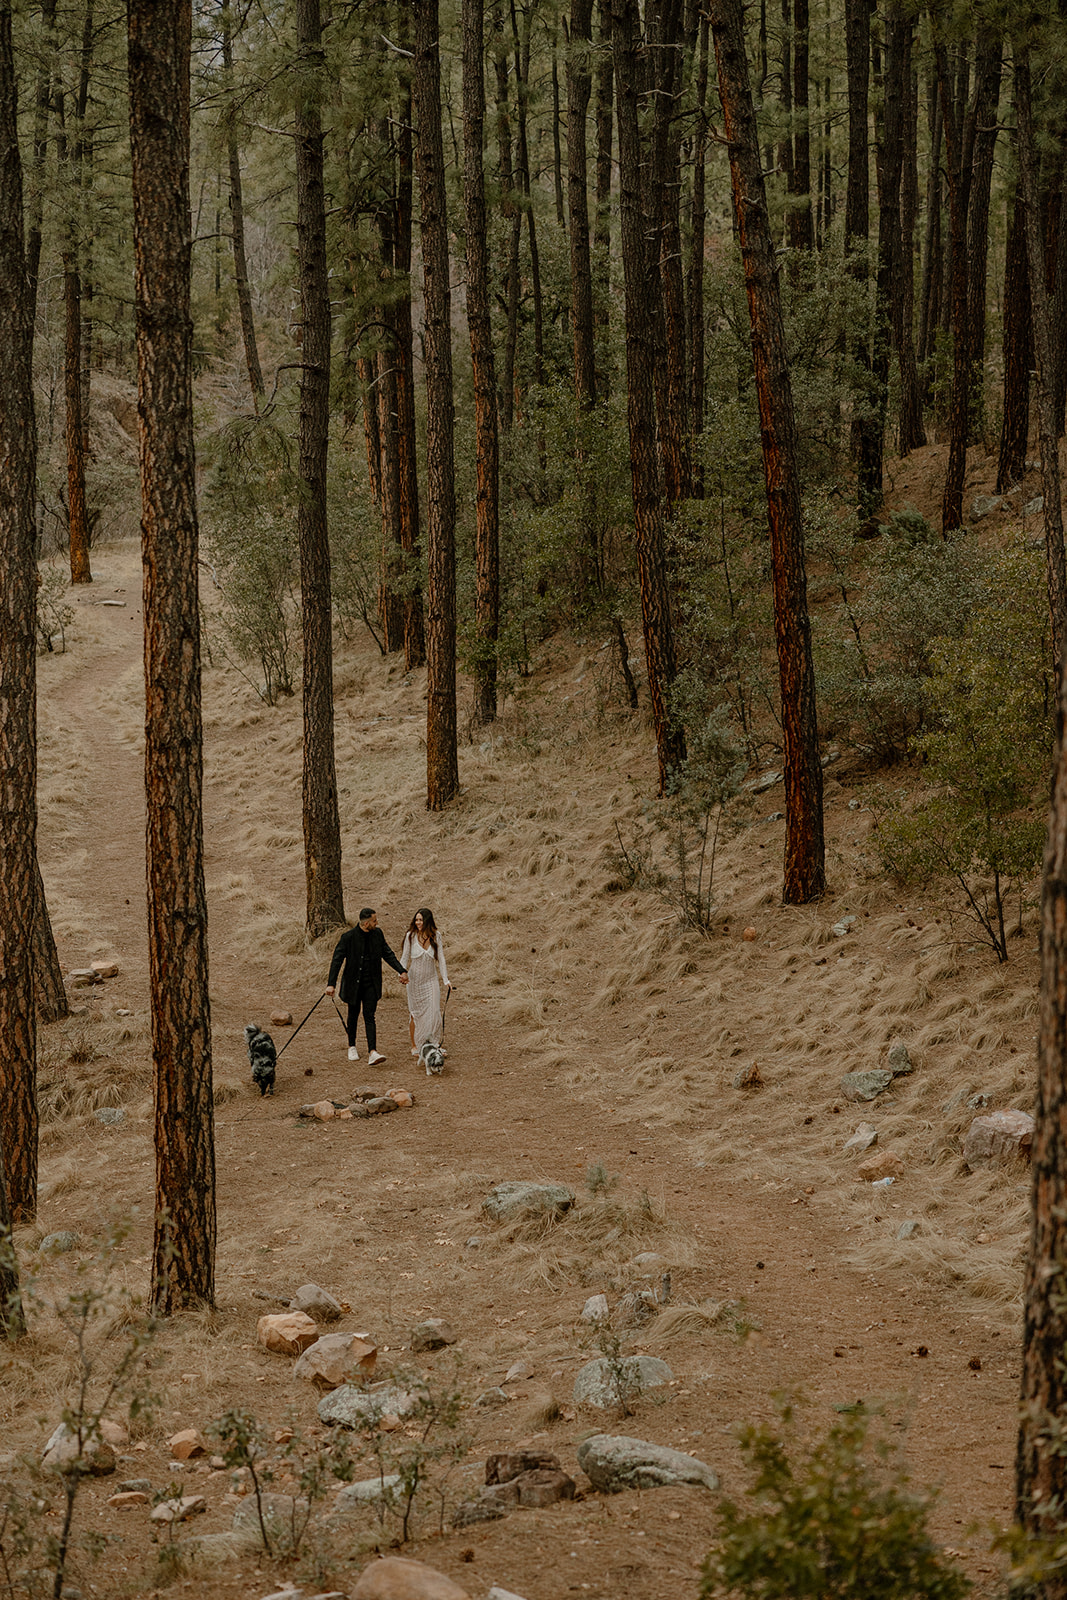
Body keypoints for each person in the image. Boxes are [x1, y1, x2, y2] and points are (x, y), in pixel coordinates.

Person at [326, 908, 408, 1065]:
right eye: (374, 921)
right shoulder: (348, 938)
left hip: (372, 984)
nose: (377, 923)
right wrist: (331, 984)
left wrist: (401, 971)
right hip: (353, 985)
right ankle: (352, 1046)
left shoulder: (378, 934)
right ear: (366, 923)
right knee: (353, 1015)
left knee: (370, 1016)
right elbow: (337, 961)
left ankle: (373, 1051)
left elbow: (388, 954)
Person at [401, 907, 451, 1057]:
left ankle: (434, 1045)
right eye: (416, 920)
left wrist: (446, 979)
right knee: (415, 1014)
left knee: (434, 1011)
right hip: (414, 981)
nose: (418, 922)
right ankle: (415, 1045)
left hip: (431, 980)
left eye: (421, 920)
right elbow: (404, 958)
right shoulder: (410, 936)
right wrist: (401, 973)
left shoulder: (436, 936)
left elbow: (441, 959)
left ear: (427, 921)